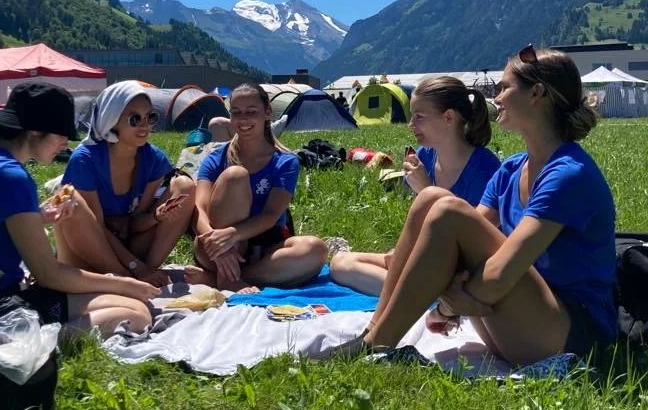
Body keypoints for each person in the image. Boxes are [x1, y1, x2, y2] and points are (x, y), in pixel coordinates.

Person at [328, 47, 617, 364]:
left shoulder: (568, 174)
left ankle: (374, 346)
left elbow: (499, 274)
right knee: (431, 199)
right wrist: (451, 286)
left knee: (447, 210)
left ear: (537, 93)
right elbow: (461, 247)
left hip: (569, 333)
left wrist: (446, 307)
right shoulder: (510, 170)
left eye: (505, 87)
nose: (497, 97)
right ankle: (375, 333)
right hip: (514, 318)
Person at [0, 82, 157, 337]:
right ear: (35, 131)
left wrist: (38, 219)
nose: (65, 144)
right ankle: (34, 341)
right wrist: (122, 284)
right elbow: (48, 274)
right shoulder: (11, 177)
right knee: (137, 314)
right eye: (61, 135)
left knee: (120, 301)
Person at [330, 76, 500, 295]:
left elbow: (475, 243)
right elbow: (421, 224)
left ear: (448, 117)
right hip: (426, 258)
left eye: (419, 117)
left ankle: (418, 295)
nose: (411, 125)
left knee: (350, 269)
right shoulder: (426, 157)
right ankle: (414, 293)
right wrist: (403, 252)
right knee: (340, 262)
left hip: (461, 270)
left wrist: (427, 189)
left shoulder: (485, 168)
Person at [55, 81, 195, 285]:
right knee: (69, 201)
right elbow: (96, 227)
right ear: (111, 119)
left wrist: (156, 217)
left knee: (185, 186)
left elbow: (135, 225)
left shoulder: (153, 159)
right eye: (134, 119)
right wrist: (133, 267)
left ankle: (146, 274)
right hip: (90, 249)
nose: (145, 125)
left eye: (150, 117)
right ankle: (127, 279)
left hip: (127, 245)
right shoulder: (85, 160)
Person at [193, 82, 328, 289]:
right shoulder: (216, 159)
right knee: (235, 176)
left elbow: (270, 216)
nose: (243, 119)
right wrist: (218, 242)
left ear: (267, 113)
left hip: (263, 248)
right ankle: (229, 277)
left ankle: (229, 278)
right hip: (214, 247)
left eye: (251, 111)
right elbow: (198, 208)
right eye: (236, 112)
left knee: (316, 249)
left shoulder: (285, 161)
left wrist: (234, 234)